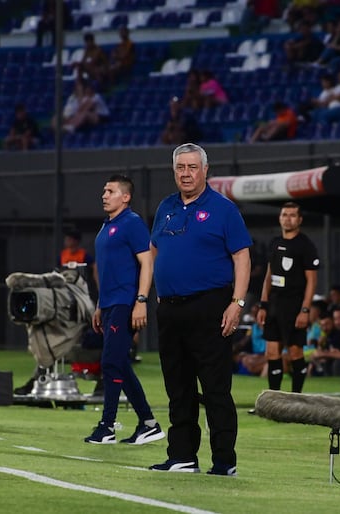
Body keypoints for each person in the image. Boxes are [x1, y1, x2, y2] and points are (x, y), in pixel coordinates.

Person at [149, 143, 251, 476]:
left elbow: (242, 257)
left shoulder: (224, 209)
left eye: (193, 167)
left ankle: (224, 462)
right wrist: (150, 295)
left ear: (206, 170)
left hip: (210, 307)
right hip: (171, 309)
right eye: (181, 167)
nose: (186, 173)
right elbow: (153, 250)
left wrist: (237, 303)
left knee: (215, 389)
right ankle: (182, 456)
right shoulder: (166, 207)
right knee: (177, 387)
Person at [84, 174, 165, 445]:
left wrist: (141, 301)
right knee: (118, 362)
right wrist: (98, 306)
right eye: (104, 191)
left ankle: (107, 426)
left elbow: (147, 263)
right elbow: (106, 273)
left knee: (109, 362)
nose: (104, 195)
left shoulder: (132, 223)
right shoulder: (106, 227)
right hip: (108, 304)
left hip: (125, 302)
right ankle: (149, 423)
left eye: (110, 191)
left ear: (125, 197)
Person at [255, 202, 318, 393]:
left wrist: (305, 310)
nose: (287, 218)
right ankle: (273, 400)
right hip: (274, 304)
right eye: (284, 215)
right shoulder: (274, 243)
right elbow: (268, 276)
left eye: (292, 215)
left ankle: (296, 399)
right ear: (280, 218)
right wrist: (263, 305)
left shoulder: (305, 245)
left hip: (295, 305)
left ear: (299, 220)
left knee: (295, 352)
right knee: (272, 352)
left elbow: (312, 281)